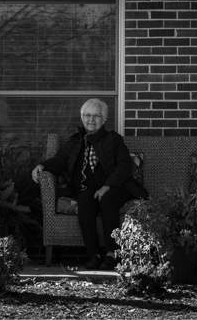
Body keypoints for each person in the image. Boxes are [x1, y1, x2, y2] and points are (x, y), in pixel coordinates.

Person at [31, 99, 148, 270]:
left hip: (116, 188)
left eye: (96, 116)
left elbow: (124, 166)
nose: (91, 119)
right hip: (88, 189)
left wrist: (107, 186)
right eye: (87, 115)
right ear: (82, 118)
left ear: (104, 119)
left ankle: (111, 253)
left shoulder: (114, 139)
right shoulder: (76, 141)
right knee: (85, 200)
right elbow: (60, 161)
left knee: (107, 199)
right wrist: (43, 166)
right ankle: (94, 254)